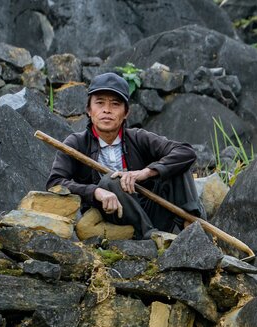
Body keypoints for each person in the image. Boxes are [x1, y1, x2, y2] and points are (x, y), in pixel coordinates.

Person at [46, 72, 204, 240]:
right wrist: (95, 191)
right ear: (89, 110)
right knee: (110, 181)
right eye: (100, 103)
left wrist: (147, 172)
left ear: (126, 112)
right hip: (115, 216)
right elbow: (55, 182)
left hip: (150, 211)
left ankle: (193, 233)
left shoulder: (138, 137)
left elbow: (186, 152)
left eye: (115, 104)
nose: (107, 110)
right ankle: (150, 238)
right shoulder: (76, 143)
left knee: (177, 165)